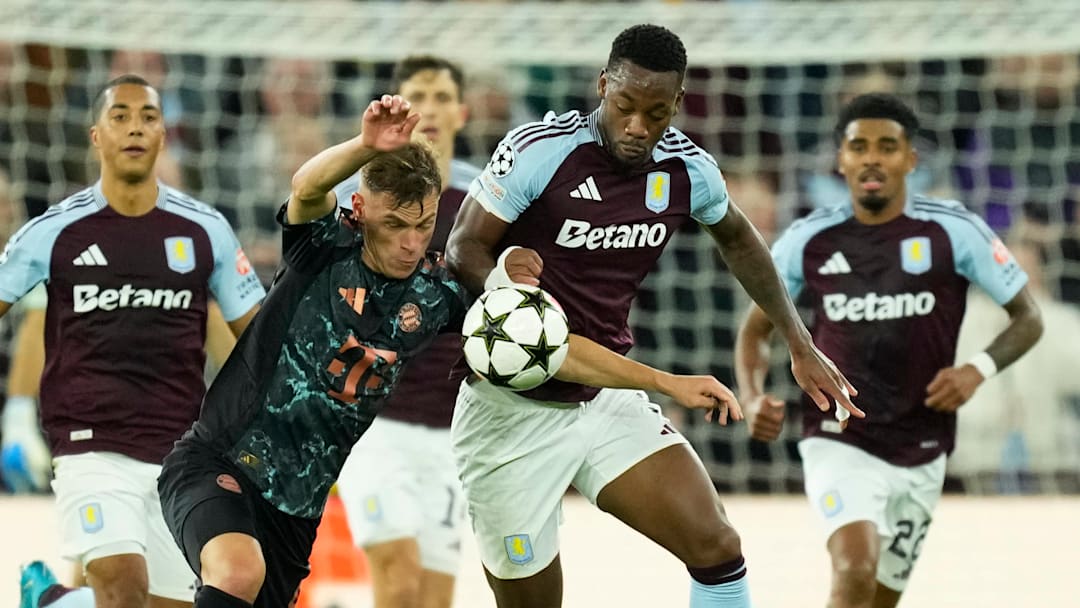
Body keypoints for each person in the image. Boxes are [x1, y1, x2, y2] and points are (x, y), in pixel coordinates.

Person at [155, 93, 741, 608]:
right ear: (360, 212)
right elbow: (307, 186)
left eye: (425, 224)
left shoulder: (437, 295)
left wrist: (663, 383)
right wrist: (364, 145)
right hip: (220, 460)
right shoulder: (322, 246)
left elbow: (550, 349)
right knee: (237, 571)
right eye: (395, 225)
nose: (412, 242)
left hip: (297, 508)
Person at [444, 24, 859, 608]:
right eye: (625, 107)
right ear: (602, 87)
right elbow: (463, 246)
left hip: (601, 397)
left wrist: (798, 341)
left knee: (717, 547)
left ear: (678, 105)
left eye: (656, 113)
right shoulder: (542, 149)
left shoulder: (688, 170)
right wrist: (509, 298)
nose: (638, 128)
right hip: (508, 415)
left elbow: (739, 239)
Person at [733, 92, 1043, 608]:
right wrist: (752, 394)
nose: (872, 158)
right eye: (859, 146)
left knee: (876, 599)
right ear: (841, 160)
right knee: (854, 569)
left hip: (923, 444)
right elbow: (754, 332)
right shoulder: (808, 240)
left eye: (887, 146)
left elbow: (1028, 317)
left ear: (910, 159)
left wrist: (977, 369)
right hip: (839, 437)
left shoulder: (953, 230)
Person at [0, 74, 265, 608]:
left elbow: (256, 339)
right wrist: (17, 413)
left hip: (180, 453)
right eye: (119, 116)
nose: (134, 128)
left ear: (164, 134)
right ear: (97, 135)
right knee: (123, 586)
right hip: (89, 444)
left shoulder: (204, 230)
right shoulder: (54, 232)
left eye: (147, 116)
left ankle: (56, 603)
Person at [332, 56, 477, 608]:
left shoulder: (487, 203)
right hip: (375, 421)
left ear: (462, 111)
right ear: (397, 106)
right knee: (397, 577)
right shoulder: (356, 196)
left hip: (452, 427)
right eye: (421, 96)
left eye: (444, 97)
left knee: (434, 598)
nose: (433, 109)